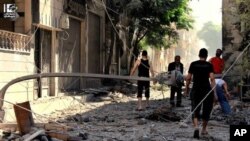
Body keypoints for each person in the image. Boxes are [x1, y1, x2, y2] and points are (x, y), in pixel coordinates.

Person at [185, 48, 216, 139]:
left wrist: (186, 89)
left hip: (196, 89)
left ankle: (196, 127)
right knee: (207, 109)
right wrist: (213, 92)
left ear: (199, 55)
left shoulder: (193, 64)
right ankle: (204, 129)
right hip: (206, 89)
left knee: (195, 108)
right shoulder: (209, 65)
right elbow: (212, 78)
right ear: (206, 56)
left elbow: (188, 78)